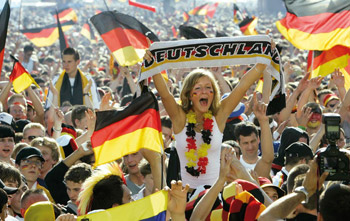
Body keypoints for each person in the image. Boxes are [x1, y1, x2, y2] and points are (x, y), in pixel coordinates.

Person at [145, 47, 271, 189]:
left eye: (208, 87)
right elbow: (165, 94)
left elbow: (242, 86)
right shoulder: (180, 117)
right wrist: (153, 66)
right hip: (188, 198)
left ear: (214, 93)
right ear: (188, 94)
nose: (204, 91)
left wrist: (261, 62)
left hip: (216, 196)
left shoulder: (219, 115)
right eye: (198, 88)